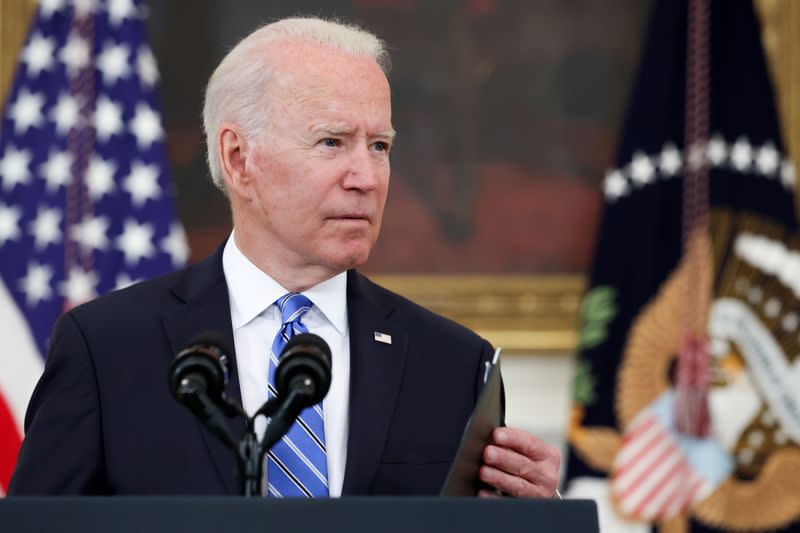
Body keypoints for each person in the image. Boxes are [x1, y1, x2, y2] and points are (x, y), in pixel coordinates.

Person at [9, 17, 560, 498]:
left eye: (380, 146)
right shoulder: (105, 349)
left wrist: (534, 522)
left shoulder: (454, 366)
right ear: (238, 159)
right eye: (331, 143)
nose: (366, 178)